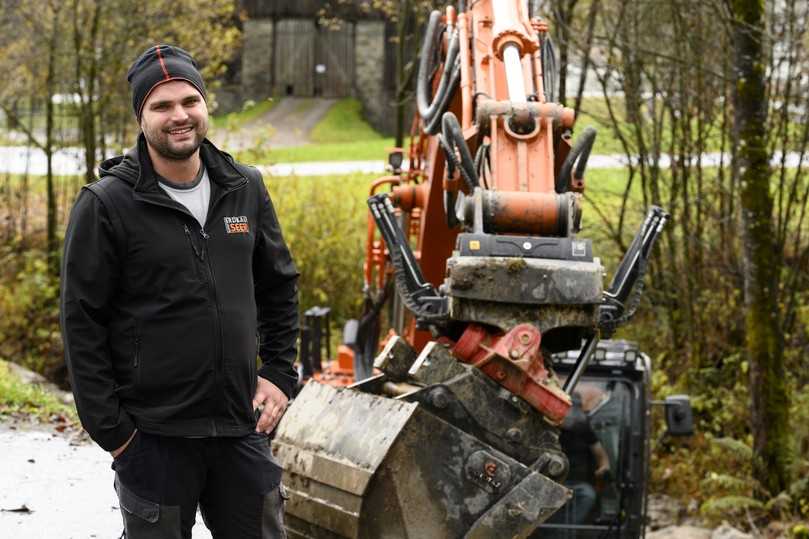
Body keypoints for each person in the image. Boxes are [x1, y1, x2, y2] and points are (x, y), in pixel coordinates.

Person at [60, 45, 299, 538]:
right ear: (141, 117)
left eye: (189, 101)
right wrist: (116, 433)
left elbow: (279, 286)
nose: (179, 116)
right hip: (153, 436)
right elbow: (81, 322)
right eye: (161, 106)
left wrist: (278, 373)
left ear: (205, 105)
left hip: (240, 427)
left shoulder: (244, 187)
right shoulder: (106, 204)